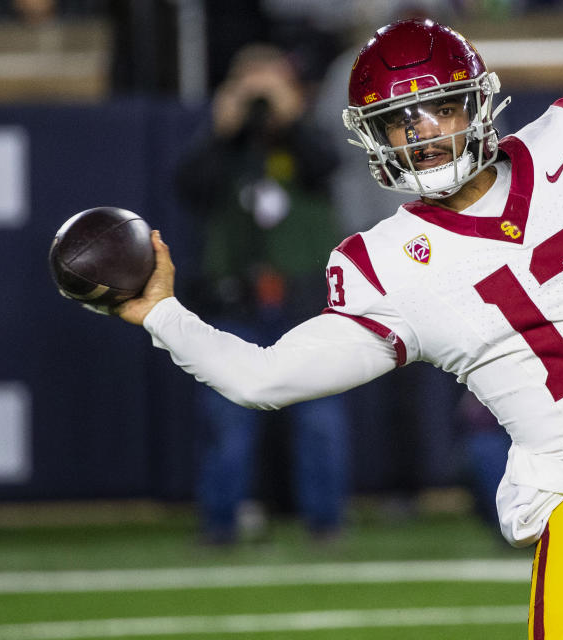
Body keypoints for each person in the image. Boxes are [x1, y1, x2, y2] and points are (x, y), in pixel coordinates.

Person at [116, 18, 563, 637]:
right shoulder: (385, 266)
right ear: (371, 139)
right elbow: (264, 377)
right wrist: (162, 314)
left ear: (478, 104)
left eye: (438, 107)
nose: (423, 132)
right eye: (398, 120)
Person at [174, 43, 350, 545]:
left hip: (305, 300)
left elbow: (326, 167)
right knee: (228, 421)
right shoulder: (221, 150)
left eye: (268, 85)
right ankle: (219, 522)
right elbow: (189, 188)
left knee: (319, 420)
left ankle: (326, 522)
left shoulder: (308, 138)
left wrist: (290, 119)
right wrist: (221, 131)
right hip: (236, 299)